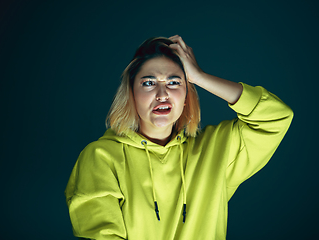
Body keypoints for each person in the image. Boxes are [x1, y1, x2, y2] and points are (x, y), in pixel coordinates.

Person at [65, 35, 293, 240]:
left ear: (186, 96)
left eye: (174, 82)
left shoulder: (215, 151)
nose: (162, 94)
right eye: (149, 83)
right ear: (131, 95)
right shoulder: (101, 158)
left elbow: (276, 117)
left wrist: (200, 77)